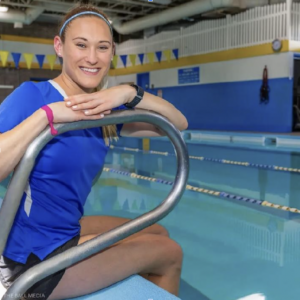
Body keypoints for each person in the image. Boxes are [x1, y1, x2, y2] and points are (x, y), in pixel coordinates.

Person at [0, 4, 188, 300]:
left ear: (112, 52)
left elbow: (178, 124)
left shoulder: (103, 111)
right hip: (31, 257)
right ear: (59, 47)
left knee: (159, 232)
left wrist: (128, 93)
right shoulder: (33, 96)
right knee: (170, 253)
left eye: (102, 47)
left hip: (63, 230)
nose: (92, 57)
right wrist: (46, 116)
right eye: (81, 45)